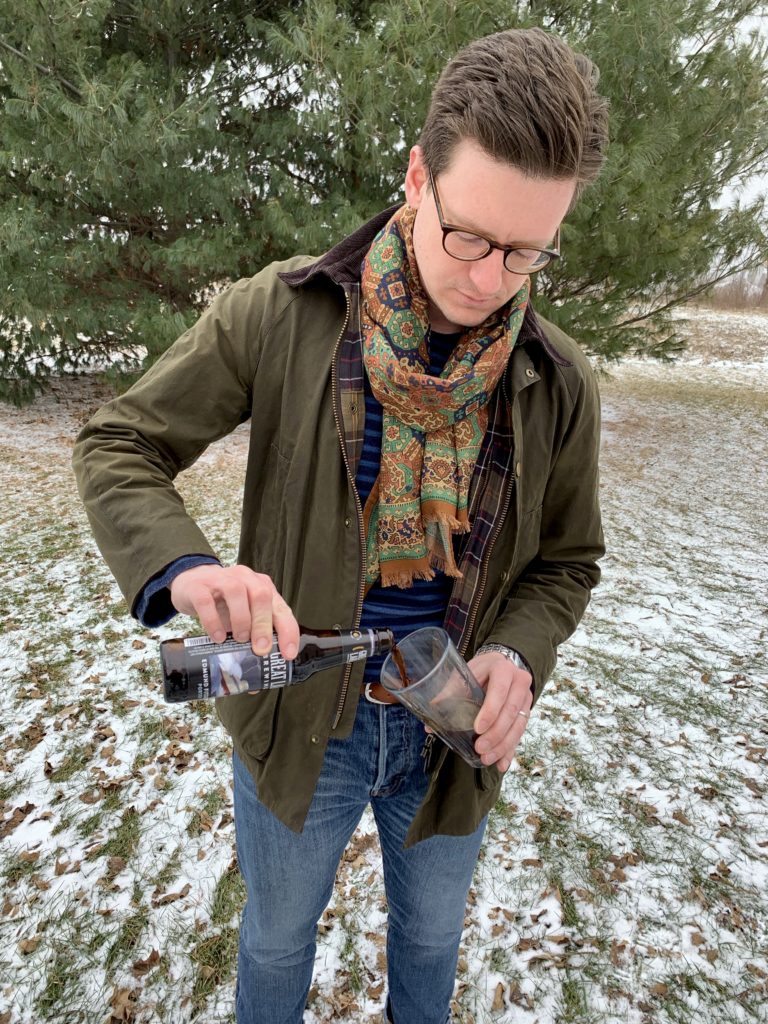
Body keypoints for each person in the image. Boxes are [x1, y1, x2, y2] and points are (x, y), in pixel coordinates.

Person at [72, 26, 608, 1024]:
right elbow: (117, 441)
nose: (491, 279)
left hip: (451, 730)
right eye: (471, 237)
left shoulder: (556, 381)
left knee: (432, 941)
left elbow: (568, 562)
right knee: (276, 940)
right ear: (417, 178)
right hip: (300, 715)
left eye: (527, 251)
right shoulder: (280, 315)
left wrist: (517, 656)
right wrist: (184, 566)